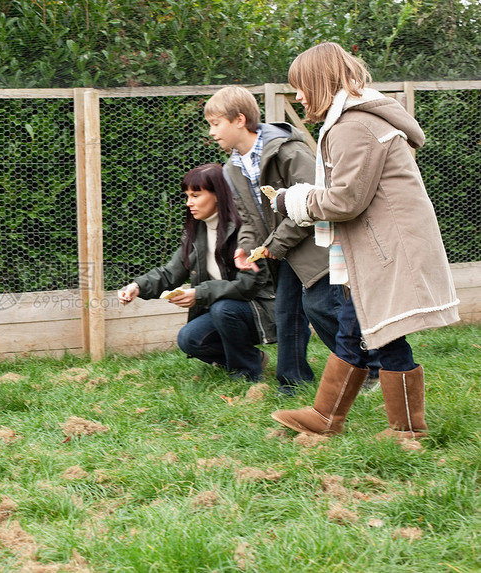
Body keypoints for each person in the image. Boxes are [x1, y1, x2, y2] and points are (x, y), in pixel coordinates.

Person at [269, 42, 460, 439]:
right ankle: (333, 418)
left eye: (301, 87)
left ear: (320, 82)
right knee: (357, 330)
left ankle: (398, 429)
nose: (299, 96)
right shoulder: (356, 120)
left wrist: (294, 199)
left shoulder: (353, 126)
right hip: (382, 246)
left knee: (377, 332)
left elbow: (345, 199)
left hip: (387, 248)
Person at [204, 85, 378, 396]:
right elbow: (246, 217)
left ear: (239, 120)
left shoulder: (287, 150)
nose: (211, 131)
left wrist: (275, 244)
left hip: (315, 243)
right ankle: (293, 380)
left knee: (322, 308)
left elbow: (314, 200)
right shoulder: (232, 169)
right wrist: (247, 248)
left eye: (216, 123)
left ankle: (374, 367)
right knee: (287, 314)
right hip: (281, 250)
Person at [117, 163, 275, 381]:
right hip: (225, 309)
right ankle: (254, 359)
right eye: (187, 195)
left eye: (196, 195)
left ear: (218, 195)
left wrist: (199, 294)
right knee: (190, 339)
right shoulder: (198, 229)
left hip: (261, 308)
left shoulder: (244, 229)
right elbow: (171, 272)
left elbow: (250, 284)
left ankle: (247, 374)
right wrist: (137, 286)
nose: (189, 202)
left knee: (222, 309)